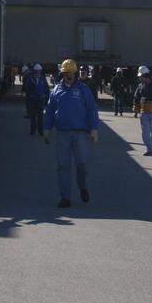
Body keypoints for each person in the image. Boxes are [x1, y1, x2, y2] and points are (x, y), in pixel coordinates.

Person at [43, 58, 99, 207]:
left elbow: (92, 109)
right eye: (66, 72)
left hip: (80, 134)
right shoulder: (56, 90)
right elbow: (49, 111)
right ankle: (65, 197)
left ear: (75, 73)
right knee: (63, 166)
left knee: (82, 163)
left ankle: (83, 186)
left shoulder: (83, 89)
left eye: (72, 72)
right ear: (62, 73)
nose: (69, 75)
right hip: (62, 134)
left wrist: (94, 129)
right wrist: (47, 129)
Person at [25, 63, 50, 135]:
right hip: (33, 100)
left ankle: (40, 130)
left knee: (40, 116)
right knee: (32, 116)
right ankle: (33, 130)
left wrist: (47, 100)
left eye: (39, 71)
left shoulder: (43, 79)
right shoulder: (31, 79)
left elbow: (46, 89)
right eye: (36, 71)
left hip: (41, 100)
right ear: (34, 71)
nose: (38, 72)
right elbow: (27, 89)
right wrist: (28, 98)